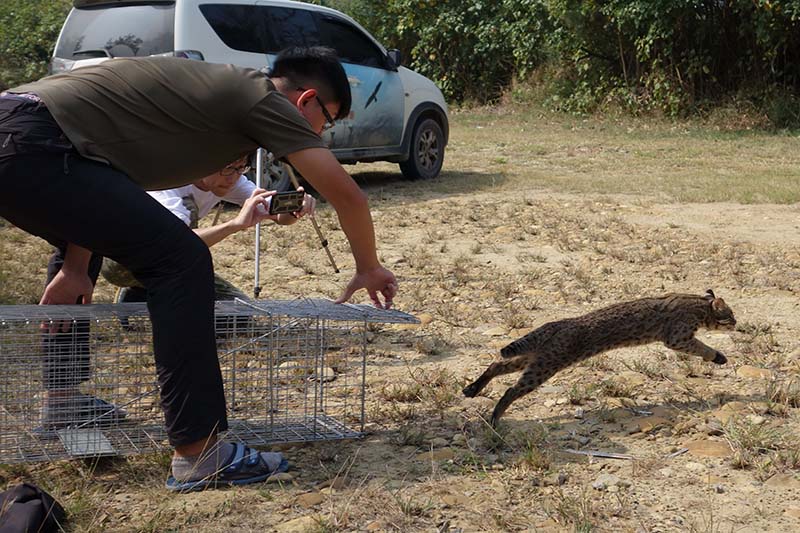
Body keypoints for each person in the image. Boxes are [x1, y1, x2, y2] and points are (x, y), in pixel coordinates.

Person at [0, 46, 397, 492]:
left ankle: (64, 400)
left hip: (25, 133)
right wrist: (368, 266)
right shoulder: (260, 98)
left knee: (118, 245)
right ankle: (200, 454)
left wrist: (76, 265)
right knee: (181, 258)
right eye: (331, 119)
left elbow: (100, 175)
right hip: (39, 143)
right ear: (306, 101)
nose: (325, 131)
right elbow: (349, 196)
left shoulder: (207, 98)